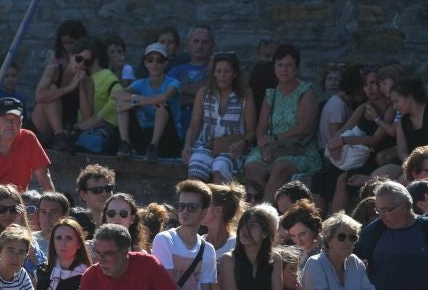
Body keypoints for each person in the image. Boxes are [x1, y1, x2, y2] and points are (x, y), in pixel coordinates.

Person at [247, 45, 320, 200]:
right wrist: (263, 145)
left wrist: (274, 139)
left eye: (289, 65)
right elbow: (261, 128)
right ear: (274, 68)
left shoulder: (306, 92)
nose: (284, 70)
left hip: (299, 149)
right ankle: (252, 210)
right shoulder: (271, 94)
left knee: (280, 167)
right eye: (280, 65)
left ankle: (267, 214)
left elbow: (304, 128)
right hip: (272, 147)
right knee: (253, 167)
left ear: (297, 68)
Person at [183, 52, 257, 184]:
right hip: (205, 145)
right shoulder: (203, 93)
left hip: (231, 148)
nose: (222, 76)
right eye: (219, 71)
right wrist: (187, 145)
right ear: (214, 73)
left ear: (234, 73)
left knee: (220, 167)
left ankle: (217, 204)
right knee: (195, 168)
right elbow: (194, 125)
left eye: (227, 71)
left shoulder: (245, 95)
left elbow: (251, 131)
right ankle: (193, 204)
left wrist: (242, 143)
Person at [0, 97, 54, 191]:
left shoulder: (29, 138)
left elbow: (44, 176)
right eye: (4, 118)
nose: (9, 123)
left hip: (18, 201)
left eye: (14, 118)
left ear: (21, 120)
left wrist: (54, 202)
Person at [115, 42, 181, 161]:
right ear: (145, 63)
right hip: (144, 135)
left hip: (169, 138)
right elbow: (116, 94)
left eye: (159, 60)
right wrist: (134, 99)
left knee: (162, 107)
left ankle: (153, 146)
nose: (154, 64)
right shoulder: (141, 83)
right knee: (122, 105)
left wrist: (135, 102)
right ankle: (126, 143)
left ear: (165, 63)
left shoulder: (173, 82)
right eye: (150, 60)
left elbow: (164, 97)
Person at [30, 19, 88, 147]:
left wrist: (81, 86)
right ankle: (59, 135)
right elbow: (39, 96)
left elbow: (87, 113)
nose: (68, 47)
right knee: (51, 88)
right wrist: (67, 88)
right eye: (65, 43)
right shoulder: (55, 66)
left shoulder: (86, 68)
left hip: (70, 119)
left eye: (72, 42)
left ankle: (61, 134)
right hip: (44, 122)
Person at [36, 217, 90, 290]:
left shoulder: (87, 275)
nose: (63, 243)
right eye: (58, 238)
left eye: (68, 238)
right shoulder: (41, 271)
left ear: (79, 244)